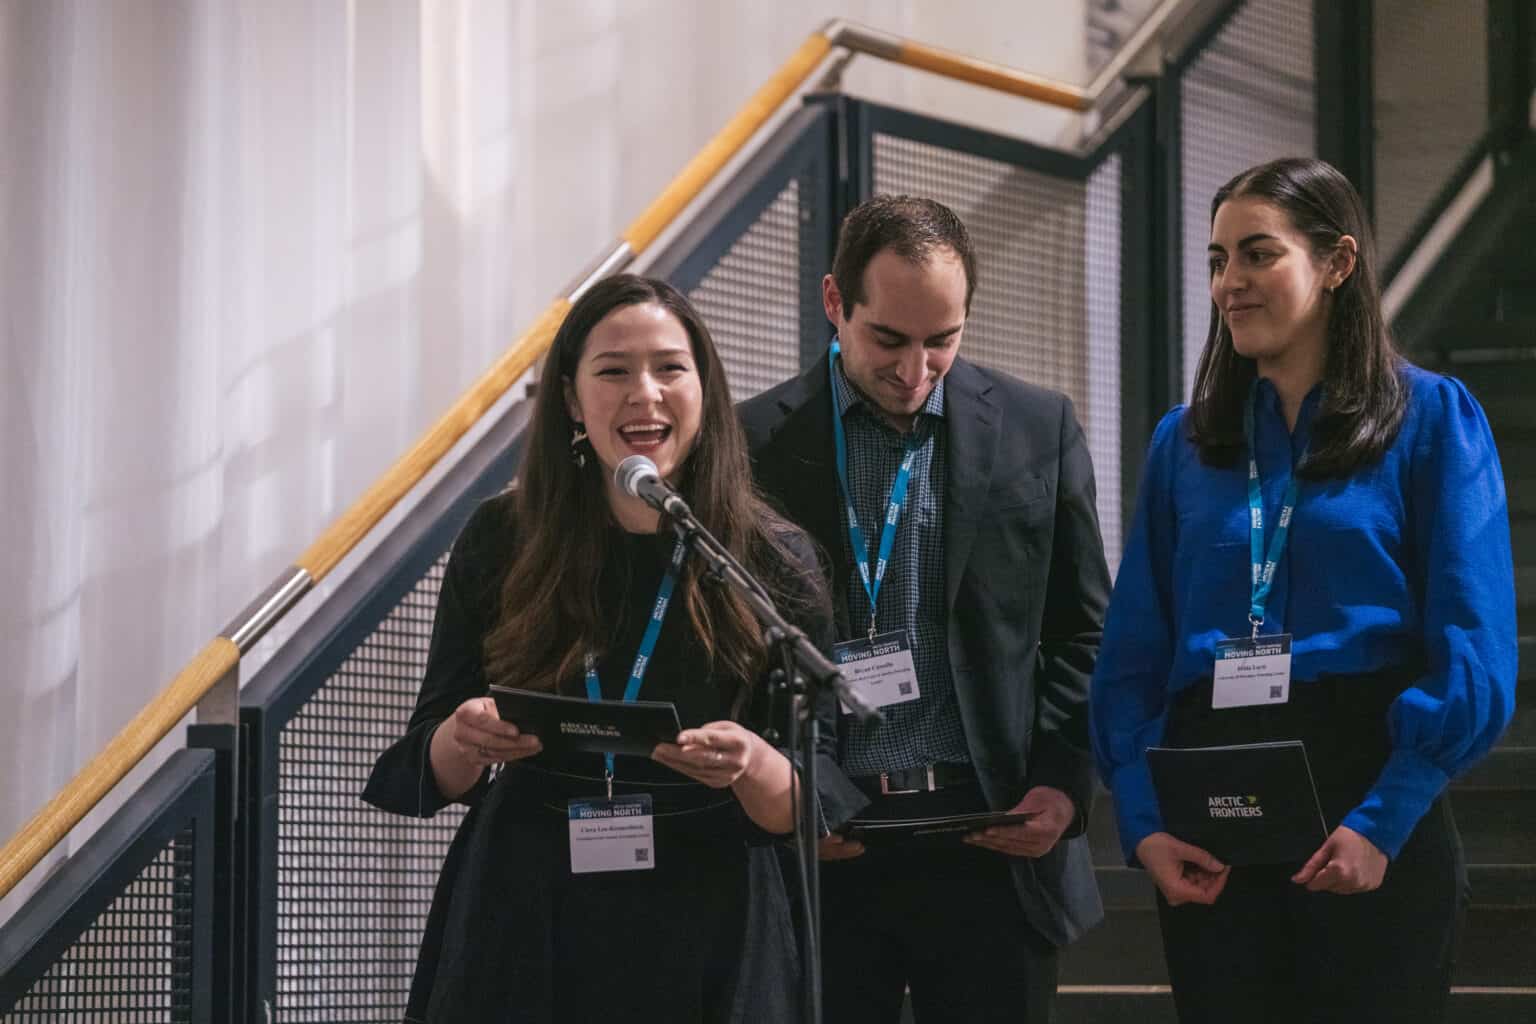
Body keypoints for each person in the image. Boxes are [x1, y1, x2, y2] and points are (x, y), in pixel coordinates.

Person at [1091, 157, 1517, 1022]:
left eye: (1257, 255)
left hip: (1364, 788)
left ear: (1337, 263)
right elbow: (1133, 652)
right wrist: (1143, 821)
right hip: (1212, 798)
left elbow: (1475, 641)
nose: (1230, 283)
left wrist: (1386, 818)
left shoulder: (1430, 418)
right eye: (1217, 261)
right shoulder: (1184, 445)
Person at [363, 274, 837, 1023]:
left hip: (711, 905)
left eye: (670, 368)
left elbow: (816, 796)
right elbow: (427, 761)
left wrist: (753, 761)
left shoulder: (769, 557)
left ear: (705, 390)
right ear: (572, 401)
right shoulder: (503, 538)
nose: (644, 393)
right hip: (529, 905)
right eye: (614, 370)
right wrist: (464, 737)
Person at [739, 194, 1111, 1022]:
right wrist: (800, 794)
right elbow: (737, 652)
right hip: (831, 844)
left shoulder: (1035, 427)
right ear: (836, 304)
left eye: (942, 341)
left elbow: (1085, 631)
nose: (915, 371)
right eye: (889, 340)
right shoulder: (752, 443)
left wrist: (1060, 786)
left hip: (992, 837)